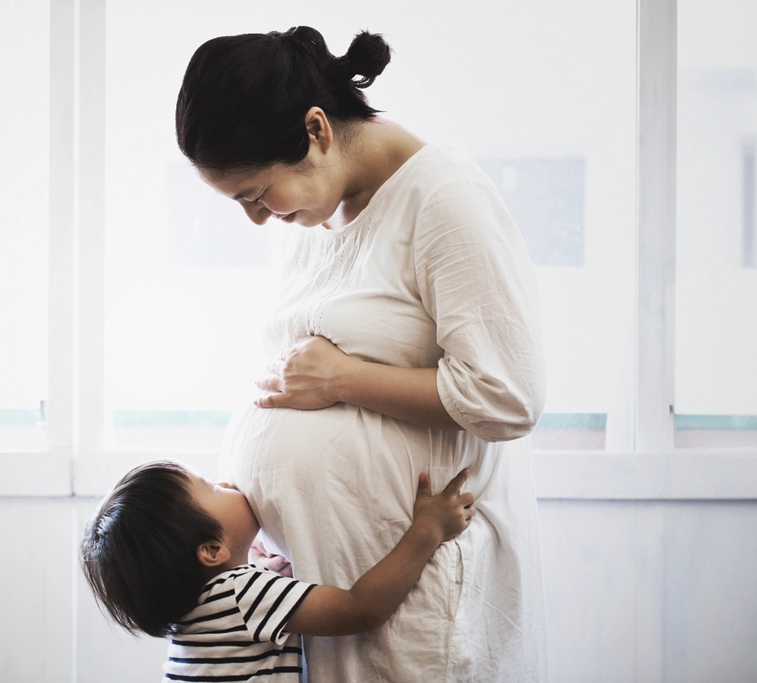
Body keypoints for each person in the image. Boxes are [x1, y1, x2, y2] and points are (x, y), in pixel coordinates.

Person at [175, 27, 548, 682]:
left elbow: (506, 394)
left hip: (417, 598)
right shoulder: (316, 215)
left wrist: (344, 379)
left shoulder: (443, 198)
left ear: (316, 130)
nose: (258, 219)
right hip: (324, 597)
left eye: (257, 195)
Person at [81, 460, 476, 682]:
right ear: (212, 551)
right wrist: (428, 530)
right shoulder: (240, 594)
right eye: (212, 488)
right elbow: (361, 608)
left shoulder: (195, 616)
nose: (224, 482)